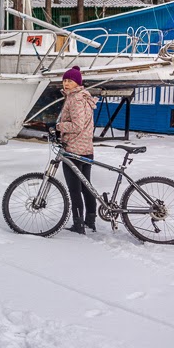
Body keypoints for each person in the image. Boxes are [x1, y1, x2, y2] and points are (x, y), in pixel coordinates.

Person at [56, 66, 98, 234]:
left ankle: (79, 224)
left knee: (75, 189)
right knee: (86, 186)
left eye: (70, 81)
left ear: (77, 83)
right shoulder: (84, 97)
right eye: (64, 80)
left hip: (74, 149)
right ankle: (90, 220)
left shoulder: (75, 99)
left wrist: (59, 126)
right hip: (86, 148)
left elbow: (77, 125)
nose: (66, 84)